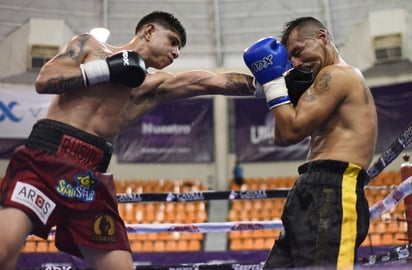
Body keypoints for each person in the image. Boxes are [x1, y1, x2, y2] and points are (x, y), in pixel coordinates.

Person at [0, 11, 257, 270]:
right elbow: (45, 80)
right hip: (45, 159)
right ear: (149, 31)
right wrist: (109, 69)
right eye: (173, 41)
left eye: (178, 48)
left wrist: (271, 83)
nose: (176, 52)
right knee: (3, 252)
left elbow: (213, 82)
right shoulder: (90, 46)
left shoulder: (155, 86)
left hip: (89, 177)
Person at [244, 17, 377, 269]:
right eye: (290, 59)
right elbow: (281, 137)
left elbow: (292, 131)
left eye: (298, 52)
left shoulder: (337, 75)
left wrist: (273, 83)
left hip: (335, 189)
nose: (295, 63)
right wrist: (289, 92)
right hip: (309, 187)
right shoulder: (319, 80)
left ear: (322, 37)